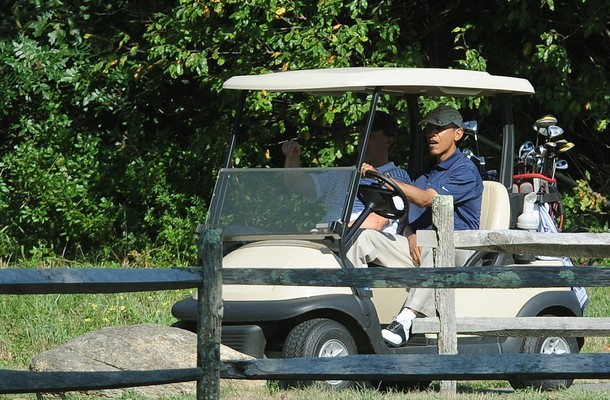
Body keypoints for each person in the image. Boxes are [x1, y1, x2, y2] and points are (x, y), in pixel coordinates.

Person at [349, 105, 483, 346]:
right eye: (430, 129)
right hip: (424, 247)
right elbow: (410, 209)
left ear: (458, 134)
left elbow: (423, 199)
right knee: (363, 238)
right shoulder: (430, 172)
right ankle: (357, 308)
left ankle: (406, 321)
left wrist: (381, 177)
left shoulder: (464, 171)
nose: (432, 134)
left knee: (436, 247)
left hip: (460, 248)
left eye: (439, 129)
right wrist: (411, 234)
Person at [282, 111, 411, 234]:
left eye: (370, 136)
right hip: (331, 238)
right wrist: (292, 157)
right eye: (361, 134)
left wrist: (336, 230)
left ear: (388, 141)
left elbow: (376, 222)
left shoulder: (397, 177)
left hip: (365, 241)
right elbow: (298, 185)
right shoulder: (343, 173)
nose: (363, 140)